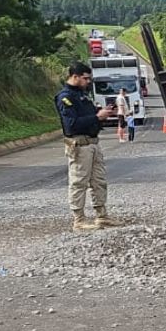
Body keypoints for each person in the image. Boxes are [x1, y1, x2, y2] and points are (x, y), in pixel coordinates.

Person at [56, 63, 119, 231]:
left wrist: (102, 113)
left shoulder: (83, 95)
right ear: (74, 76)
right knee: (78, 182)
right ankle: (79, 218)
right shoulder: (65, 97)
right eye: (85, 78)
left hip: (93, 142)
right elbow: (72, 124)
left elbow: (89, 115)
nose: (88, 81)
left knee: (99, 180)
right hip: (79, 144)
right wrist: (97, 117)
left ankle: (102, 215)